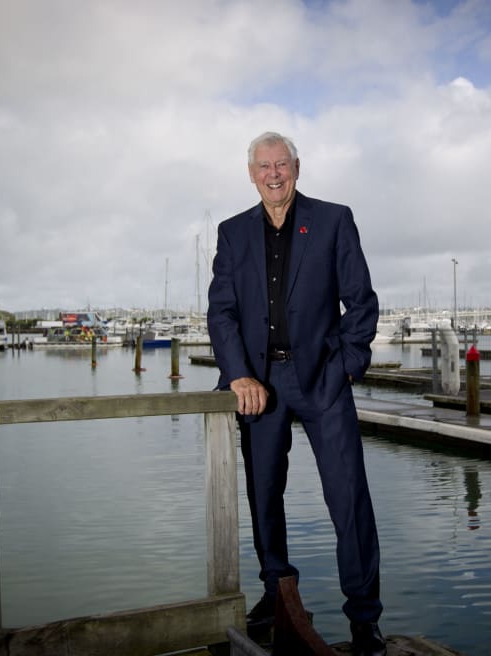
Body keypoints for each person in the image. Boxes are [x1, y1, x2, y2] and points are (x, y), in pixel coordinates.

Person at [207, 131, 385, 656]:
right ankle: (276, 592)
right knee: (264, 494)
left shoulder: (333, 220)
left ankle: (364, 620)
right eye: (264, 166)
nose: (273, 174)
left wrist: (347, 364)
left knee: (348, 498)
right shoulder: (232, 233)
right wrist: (238, 374)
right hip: (259, 385)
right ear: (251, 174)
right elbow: (222, 312)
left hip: (323, 379)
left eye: (281, 164)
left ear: (297, 168)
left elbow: (361, 301)